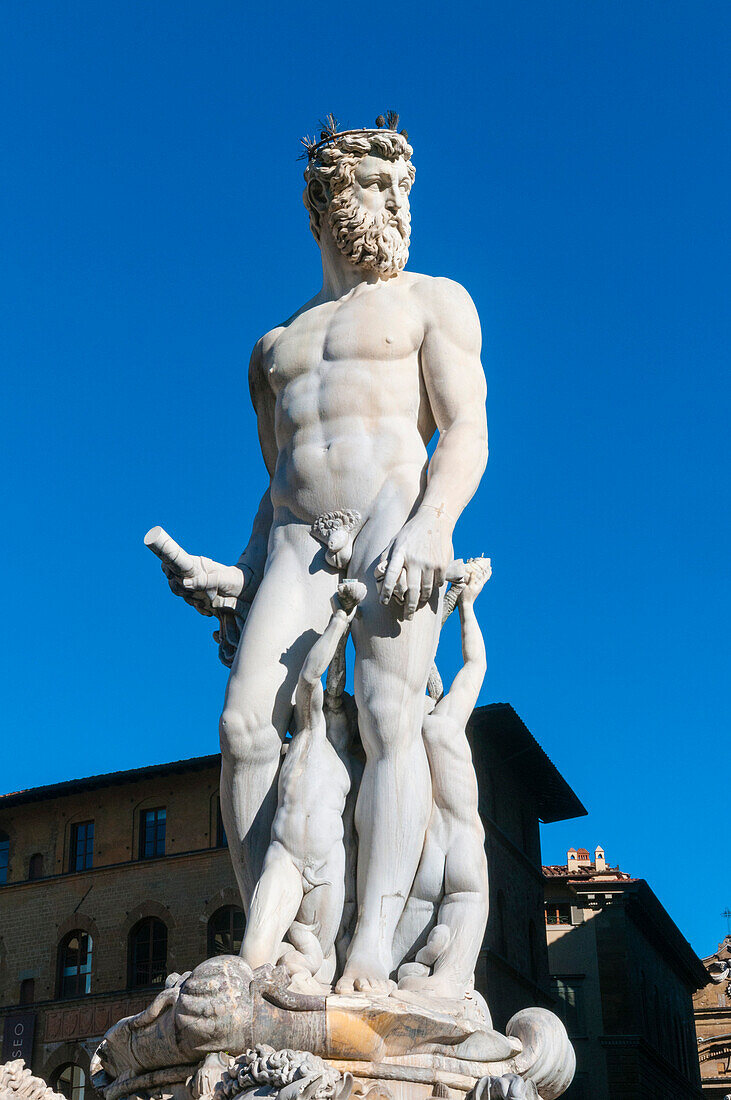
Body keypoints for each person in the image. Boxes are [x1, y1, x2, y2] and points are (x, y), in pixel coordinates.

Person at [158, 117, 488, 992]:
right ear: (324, 203)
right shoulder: (274, 347)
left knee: (388, 719)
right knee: (242, 726)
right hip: (300, 538)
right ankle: (292, 937)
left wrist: (428, 525)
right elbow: (276, 485)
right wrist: (233, 571)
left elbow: (465, 432)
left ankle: (373, 945)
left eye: (402, 191)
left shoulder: (434, 300)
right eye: (376, 188)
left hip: (395, 514)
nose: (395, 206)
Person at [239, 581, 366, 991]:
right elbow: (314, 679)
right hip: (288, 858)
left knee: (319, 960)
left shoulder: (356, 768)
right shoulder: (311, 732)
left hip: (329, 868)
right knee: (253, 955)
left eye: (344, 705)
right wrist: (340, 621)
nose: (338, 704)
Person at [394, 557, 492, 1000]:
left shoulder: (397, 734)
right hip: (463, 840)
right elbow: (475, 666)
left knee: (394, 973)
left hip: (424, 850)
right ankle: (444, 978)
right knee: (464, 913)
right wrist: (468, 604)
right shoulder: (446, 722)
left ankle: (411, 970)